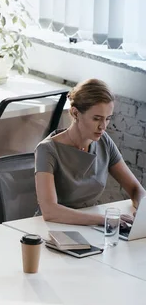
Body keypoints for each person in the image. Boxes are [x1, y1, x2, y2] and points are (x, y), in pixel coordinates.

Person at [35, 78, 146, 225]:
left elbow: (135, 189)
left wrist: (142, 211)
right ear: (75, 113)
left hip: (89, 226)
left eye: (107, 119)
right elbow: (50, 211)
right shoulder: (47, 150)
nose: (103, 126)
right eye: (96, 119)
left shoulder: (104, 141)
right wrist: (105, 220)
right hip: (52, 227)